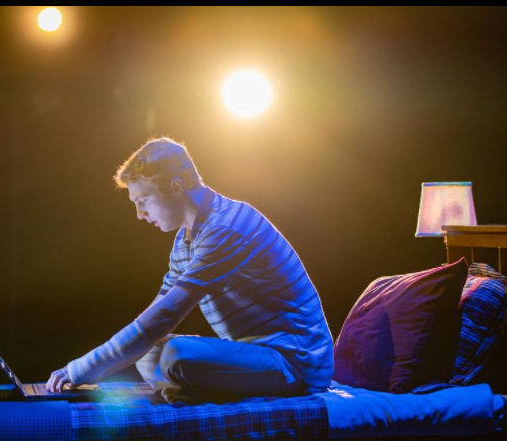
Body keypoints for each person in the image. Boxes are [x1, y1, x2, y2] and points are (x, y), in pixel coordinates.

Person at [46, 136, 334, 404]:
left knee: (176, 354)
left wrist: (83, 368)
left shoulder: (226, 228)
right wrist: (102, 362)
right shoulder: (186, 238)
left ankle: (182, 391)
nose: (140, 214)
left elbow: (166, 315)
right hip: (259, 355)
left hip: (296, 362)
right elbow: (155, 313)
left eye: (143, 201)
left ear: (175, 187)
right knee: (150, 352)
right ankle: (181, 391)